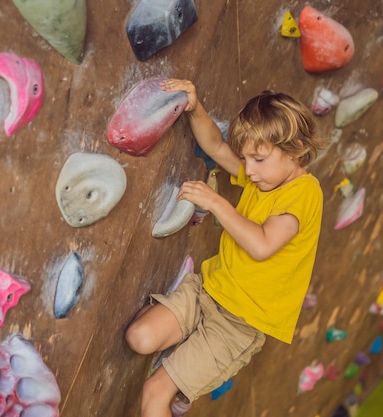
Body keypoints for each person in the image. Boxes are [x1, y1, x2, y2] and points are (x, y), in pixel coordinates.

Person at [125, 79, 326, 417]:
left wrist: (216, 202)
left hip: (238, 324)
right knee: (139, 338)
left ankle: (182, 378)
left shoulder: (304, 193)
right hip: (208, 290)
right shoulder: (263, 176)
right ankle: (186, 365)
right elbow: (217, 147)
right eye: (246, 159)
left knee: (154, 391)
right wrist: (194, 105)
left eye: (258, 159)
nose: (249, 170)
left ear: (296, 148)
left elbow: (262, 245)